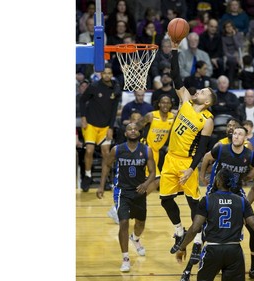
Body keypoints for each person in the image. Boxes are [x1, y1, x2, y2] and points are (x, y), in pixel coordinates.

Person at [159, 36, 217, 263]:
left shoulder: (207, 119)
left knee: (194, 204)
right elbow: (176, 77)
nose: (198, 91)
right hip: (170, 159)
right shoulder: (185, 101)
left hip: (187, 162)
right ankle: (179, 230)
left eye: (203, 92)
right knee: (165, 199)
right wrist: (174, 50)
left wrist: (191, 170)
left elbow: (202, 148)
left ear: (208, 101)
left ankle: (198, 240)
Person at [175, 167, 254, 281]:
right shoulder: (242, 201)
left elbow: (195, 228)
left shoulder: (207, 200)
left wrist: (181, 247)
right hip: (234, 251)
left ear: (218, 181)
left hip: (213, 250)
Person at [96, 123, 156, 272]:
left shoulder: (146, 150)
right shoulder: (117, 149)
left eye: (135, 129)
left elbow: (153, 172)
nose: (133, 130)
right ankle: (125, 258)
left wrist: (146, 184)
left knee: (140, 224)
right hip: (122, 191)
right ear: (125, 133)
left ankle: (135, 238)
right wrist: (101, 186)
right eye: (130, 129)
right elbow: (107, 165)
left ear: (139, 133)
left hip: (139, 191)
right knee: (123, 223)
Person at [79, 63, 122, 192]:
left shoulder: (116, 89)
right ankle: (87, 176)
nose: (107, 75)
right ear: (101, 74)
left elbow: (114, 110)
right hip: (91, 124)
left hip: (105, 127)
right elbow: (82, 100)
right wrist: (83, 118)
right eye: (105, 73)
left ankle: (106, 179)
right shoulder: (94, 86)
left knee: (106, 153)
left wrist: (111, 127)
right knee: (89, 151)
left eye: (109, 73)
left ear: (112, 75)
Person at [135, 95, 175, 195]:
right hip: (146, 150)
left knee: (145, 181)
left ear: (170, 105)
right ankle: (136, 200)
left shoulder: (173, 118)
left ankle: (133, 201)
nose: (165, 105)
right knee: (156, 180)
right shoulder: (151, 116)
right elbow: (135, 127)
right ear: (159, 104)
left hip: (156, 152)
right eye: (163, 102)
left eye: (167, 102)